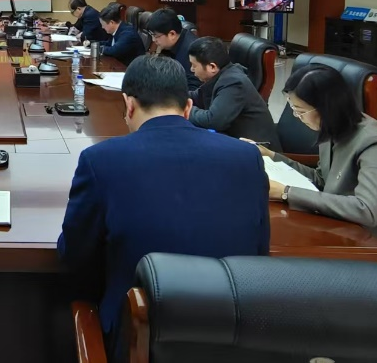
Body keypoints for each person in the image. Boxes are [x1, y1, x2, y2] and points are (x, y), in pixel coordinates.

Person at [57, 55, 269, 357]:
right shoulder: (247, 157)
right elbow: (259, 252)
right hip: (233, 339)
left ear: (129, 104)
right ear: (188, 107)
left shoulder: (100, 160)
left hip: (136, 339)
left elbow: (75, 253)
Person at [258, 63, 377, 246]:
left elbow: (367, 210)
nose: (296, 116)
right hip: (347, 231)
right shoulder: (333, 129)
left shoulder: (375, 144)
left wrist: (286, 192)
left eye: (300, 111)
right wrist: (272, 156)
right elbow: (322, 180)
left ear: (326, 108)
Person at [187, 36, 282, 150]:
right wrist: (173, 97)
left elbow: (214, 120)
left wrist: (185, 109)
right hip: (236, 142)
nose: (192, 69)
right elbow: (197, 96)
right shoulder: (221, 76)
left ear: (212, 67)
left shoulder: (234, 82)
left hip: (260, 151)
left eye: (194, 65)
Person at [147, 8, 200, 89]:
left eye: (156, 36)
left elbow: (193, 88)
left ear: (172, 34)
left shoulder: (191, 51)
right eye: (152, 35)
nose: (154, 40)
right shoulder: (171, 45)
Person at [97, 2, 146, 66]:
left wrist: (99, 48)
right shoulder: (118, 30)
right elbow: (109, 43)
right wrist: (92, 43)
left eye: (103, 24)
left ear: (112, 22)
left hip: (131, 68)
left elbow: (114, 51)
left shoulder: (128, 34)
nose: (102, 27)